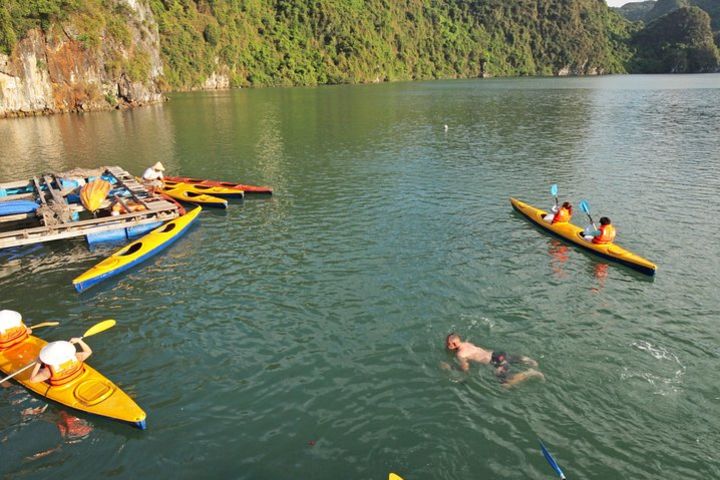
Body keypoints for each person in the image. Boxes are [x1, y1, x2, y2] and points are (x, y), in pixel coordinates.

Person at [445, 333, 544, 387]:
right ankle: (529, 361)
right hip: (497, 354)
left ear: (451, 345)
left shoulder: (460, 354)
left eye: (447, 344)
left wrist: (452, 368)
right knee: (511, 358)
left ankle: (530, 373)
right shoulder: (468, 343)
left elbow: (465, 368)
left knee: (506, 384)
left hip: (495, 361)